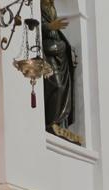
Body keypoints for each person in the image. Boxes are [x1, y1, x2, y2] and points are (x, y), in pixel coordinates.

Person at [41, 0, 76, 132]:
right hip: (49, 51)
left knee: (65, 87)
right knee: (57, 85)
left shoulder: (51, 7)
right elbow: (37, 25)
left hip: (60, 53)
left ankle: (61, 123)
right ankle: (52, 121)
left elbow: (57, 29)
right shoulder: (38, 6)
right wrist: (50, 26)